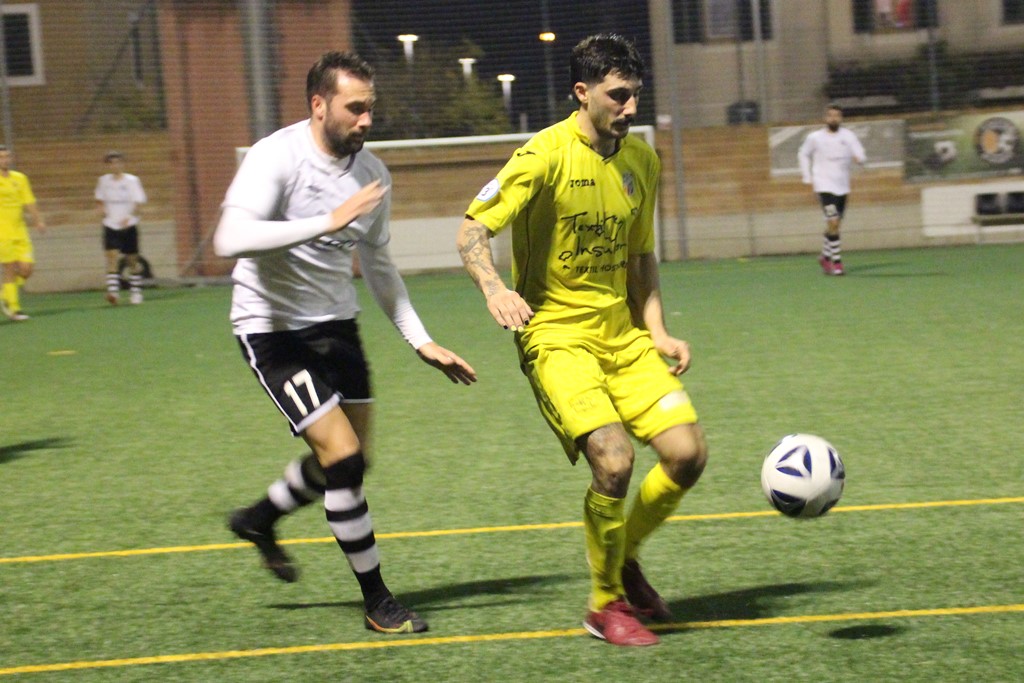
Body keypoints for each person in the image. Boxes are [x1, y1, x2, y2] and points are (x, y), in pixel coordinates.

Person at [456, 34, 707, 647]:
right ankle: (604, 604)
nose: (630, 107)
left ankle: (623, 556)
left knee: (687, 455)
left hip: (622, 336)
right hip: (557, 337)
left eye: (635, 95)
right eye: (618, 95)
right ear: (582, 92)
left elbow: (640, 257)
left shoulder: (641, 161)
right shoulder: (542, 156)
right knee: (614, 462)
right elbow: (471, 230)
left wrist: (657, 331)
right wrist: (494, 288)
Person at [213, 51, 477, 634]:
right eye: (354, 108)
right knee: (345, 458)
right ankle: (378, 602)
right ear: (319, 105)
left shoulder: (372, 174)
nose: (366, 120)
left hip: (336, 326)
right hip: (272, 331)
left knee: (353, 459)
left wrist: (420, 340)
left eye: (370, 108)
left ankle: (258, 519)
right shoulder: (275, 158)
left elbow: (379, 264)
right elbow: (229, 239)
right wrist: (327, 221)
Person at [798, 104, 866, 276]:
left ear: (841, 118)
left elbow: (860, 152)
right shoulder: (815, 137)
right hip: (824, 187)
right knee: (833, 221)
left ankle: (825, 256)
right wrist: (807, 176)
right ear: (825, 118)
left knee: (834, 224)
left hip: (842, 187)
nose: (833, 118)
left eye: (837, 115)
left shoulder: (848, 136)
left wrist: (860, 159)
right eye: (830, 115)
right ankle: (837, 263)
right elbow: (803, 153)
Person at [95, 151, 148, 305]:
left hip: (128, 225)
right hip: (111, 224)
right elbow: (99, 199)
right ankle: (113, 292)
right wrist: (101, 210)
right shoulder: (103, 181)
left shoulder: (132, 181)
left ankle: (136, 292)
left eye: (118, 162)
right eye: (111, 163)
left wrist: (130, 216)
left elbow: (139, 202)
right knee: (111, 256)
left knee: (132, 260)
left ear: (123, 164)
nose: (115, 166)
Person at [0, 145, 45, 321]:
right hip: (2, 232)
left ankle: (5, 293)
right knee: (10, 268)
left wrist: (38, 220)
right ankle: (14, 308)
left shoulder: (20, 178)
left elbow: (29, 201)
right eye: (1, 157)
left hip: (20, 230)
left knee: (27, 269)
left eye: (6, 157)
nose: (4, 160)